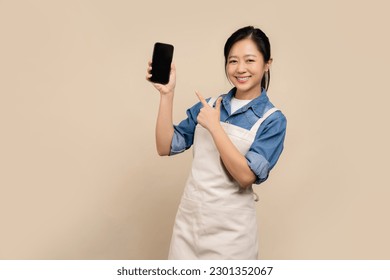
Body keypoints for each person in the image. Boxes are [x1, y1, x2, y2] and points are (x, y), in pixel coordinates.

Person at [146, 26, 287, 259]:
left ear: (267, 63)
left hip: (232, 237)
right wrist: (166, 94)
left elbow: (245, 176)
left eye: (249, 60)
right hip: (188, 228)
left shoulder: (273, 120)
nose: (240, 69)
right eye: (233, 61)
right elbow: (165, 146)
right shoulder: (209, 104)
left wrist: (215, 126)